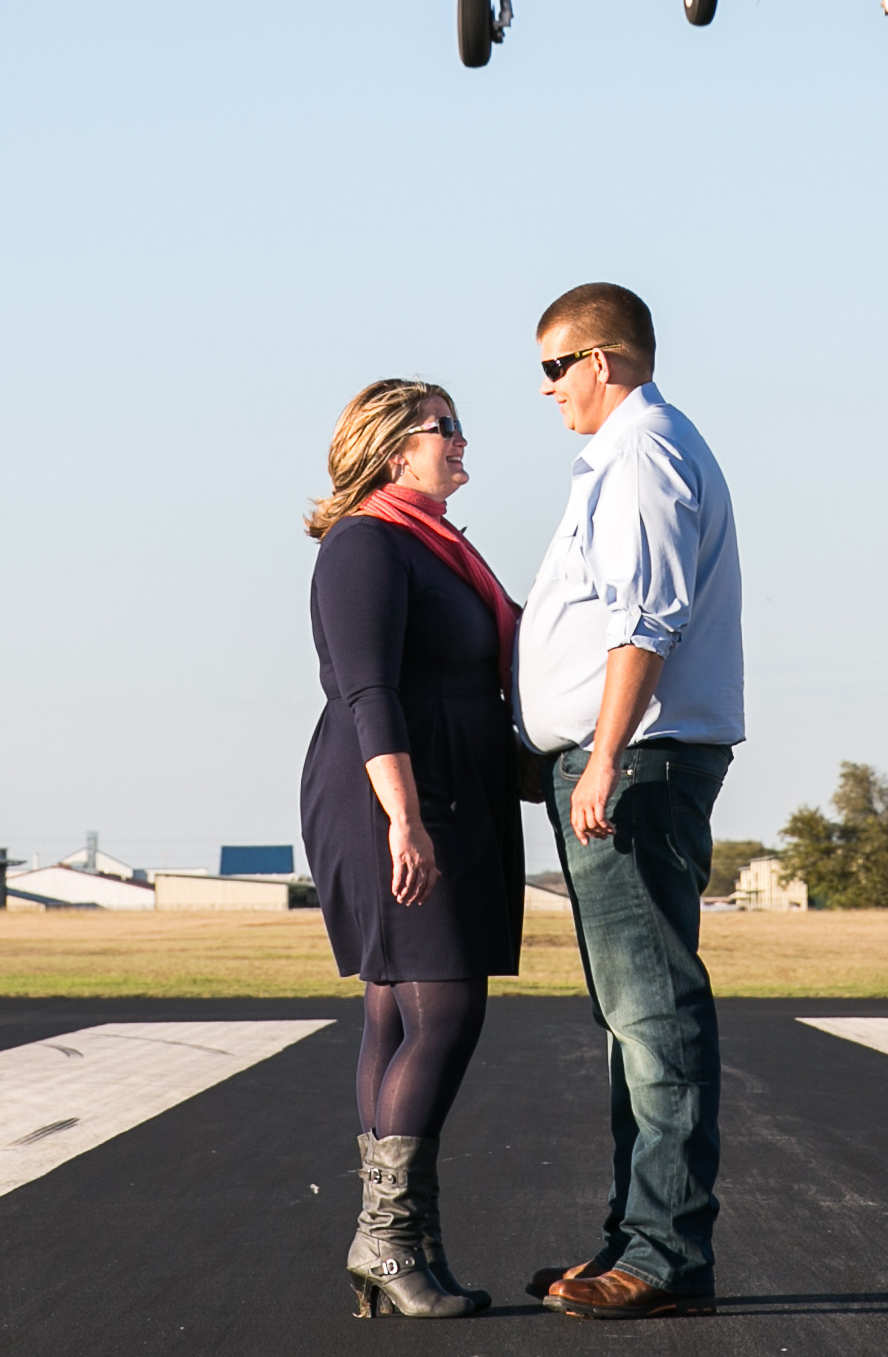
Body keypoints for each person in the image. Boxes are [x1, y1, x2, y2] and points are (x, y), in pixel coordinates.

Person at [516, 282, 741, 1320]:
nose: (549, 389)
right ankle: (633, 1239)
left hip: (638, 763)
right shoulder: (625, 454)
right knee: (630, 1019)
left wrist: (601, 756)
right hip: (628, 759)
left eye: (554, 367)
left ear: (601, 362)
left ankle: (661, 1258)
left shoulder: (642, 453)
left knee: (652, 1014)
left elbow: (645, 622)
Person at [299, 377, 523, 1320]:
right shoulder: (366, 544)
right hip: (394, 792)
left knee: (397, 1016)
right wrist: (403, 817)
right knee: (442, 1013)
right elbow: (367, 693)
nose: (464, 441)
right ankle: (386, 1240)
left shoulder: (434, 546)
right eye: (447, 429)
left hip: (450, 789)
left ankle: (402, 1245)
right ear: (397, 447)